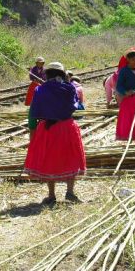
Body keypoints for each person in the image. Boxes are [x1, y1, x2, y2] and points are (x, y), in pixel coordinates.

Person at [25, 62, 86, 204]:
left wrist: (32, 132)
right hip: (67, 127)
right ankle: (70, 192)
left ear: (47, 74)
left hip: (48, 129)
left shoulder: (40, 90)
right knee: (70, 157)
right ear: (62, 74)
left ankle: (51, 194)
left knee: (49, 159)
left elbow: (33, 112)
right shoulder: (70, 88)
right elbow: (76, 106)